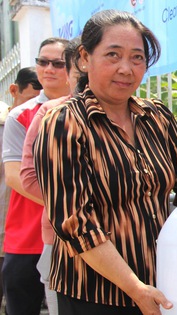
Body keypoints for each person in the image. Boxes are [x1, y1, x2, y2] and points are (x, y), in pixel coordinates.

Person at [34, 10, 177, 315]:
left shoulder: (156, 116)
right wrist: (134, 288)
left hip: (161, 283)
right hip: (92, 294)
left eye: (137, 58)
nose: (126, 69)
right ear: (84, 58)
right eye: (113, 55)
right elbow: (76, 224)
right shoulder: (64, 124)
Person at [2, 38, 70, 315]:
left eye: (57, 63)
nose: (48, 69)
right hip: (28, 235)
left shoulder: (91, 112)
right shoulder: (20, 115)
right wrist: (67, 205)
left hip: (73, 234)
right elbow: (14, 176)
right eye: (42, 62)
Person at [20, 37, 81, 315]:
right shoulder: (50, 113)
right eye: (80, 72)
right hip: (61, 240)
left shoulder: (137, 114)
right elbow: (29, 177)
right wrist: (78, 205)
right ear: (71, 75)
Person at [0, 67, 42, 312]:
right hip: (16, 233)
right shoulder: (15, 120)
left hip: (41, 233)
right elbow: (14, 178)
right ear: (13, 91)